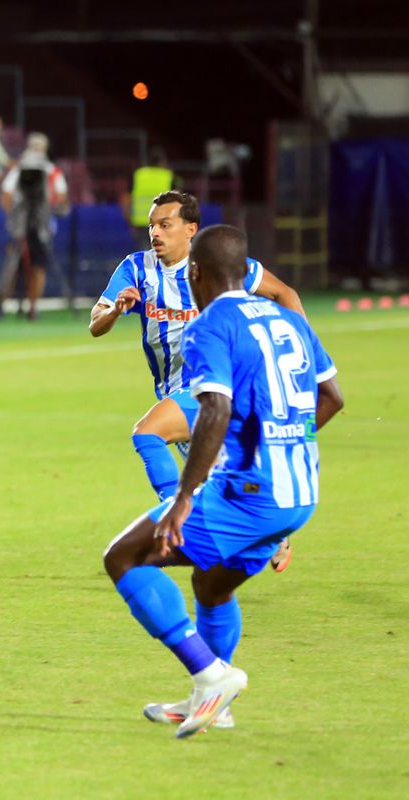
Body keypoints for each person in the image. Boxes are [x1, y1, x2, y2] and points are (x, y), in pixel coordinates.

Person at [101, 224, 344, 738]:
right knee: (211, 585)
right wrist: (285, 449)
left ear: (196, 273)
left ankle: (212, 675)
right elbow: (333, 399)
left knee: (124, 557)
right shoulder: (290, 320)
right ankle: (213, 703)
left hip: (251, 495)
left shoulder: (211, 324)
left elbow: (214, 409)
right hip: (300, 495)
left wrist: (184, 496)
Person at [89, 190, 307, 571]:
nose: (155, 232)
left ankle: (176, 520)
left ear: (191, 229)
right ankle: (270, 534)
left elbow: (283, 292)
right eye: (152, 225)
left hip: (216, 384)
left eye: (165, 224)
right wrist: (117, 310)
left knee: (147, 433)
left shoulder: (216, 265)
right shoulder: (136, 269)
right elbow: (95, 323)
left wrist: (302, 348)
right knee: (219, 476)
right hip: (174, 390)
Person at [0, 132, 68, 322]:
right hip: (27, 226)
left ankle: (31, 307)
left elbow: (61, 199)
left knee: (36, 268)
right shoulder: (23, 171)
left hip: (37, 227)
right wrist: (16, 218)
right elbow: (6, 196)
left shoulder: (49, 171)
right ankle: (6, 306)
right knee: (14, 267)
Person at [124, 148, 174, 249]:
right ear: (162, 162)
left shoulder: (138, 175)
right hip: (163, 223)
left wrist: (129, 220)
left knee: (145, 255)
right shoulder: (168, 176)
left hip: (141, 223)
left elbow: (125, 199)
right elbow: (178, 202)